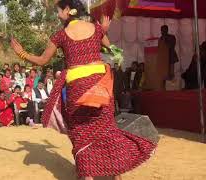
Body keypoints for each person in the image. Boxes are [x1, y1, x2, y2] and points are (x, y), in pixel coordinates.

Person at [10, 1, 156, 179]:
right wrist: (103, 30)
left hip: (77, 87)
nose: (57, 15)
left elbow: (42, 61)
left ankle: (88, 176)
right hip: (100, 85)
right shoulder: (96, 27)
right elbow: (113, 52)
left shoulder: (60, 35)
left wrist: (21, 53)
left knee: (81, 132)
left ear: (66, 10)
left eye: (58, 11)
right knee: (106, 129)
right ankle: (116, 175)